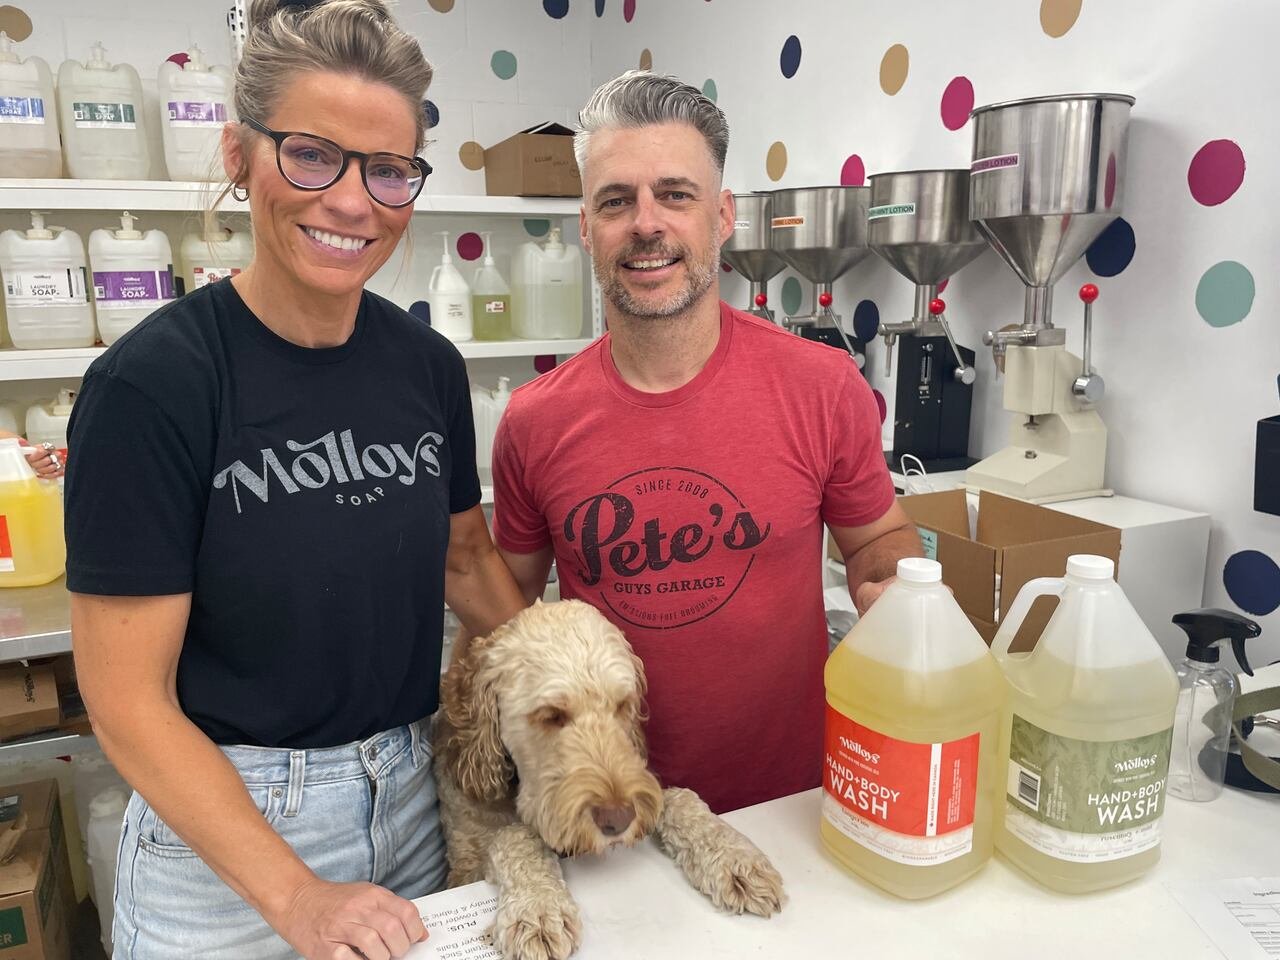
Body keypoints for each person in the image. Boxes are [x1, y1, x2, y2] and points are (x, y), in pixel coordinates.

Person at [64, 1, 525, 957]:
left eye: (390, 171)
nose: (353, 201)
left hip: (410, 793)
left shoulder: (428, 368)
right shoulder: (153, 387)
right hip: (226, 843)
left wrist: (575, 681)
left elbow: (465, 559)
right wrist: (297, 897)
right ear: (239, 156)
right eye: (312, 154)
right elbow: (126, 701)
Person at [490, 71, 923, 815]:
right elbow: (506, 610)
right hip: (609, 815)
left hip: (794, 804)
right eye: (616, 201)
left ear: (722, 218)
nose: (647, 224)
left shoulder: (822, 387)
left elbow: (878, 539)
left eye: (676, 194)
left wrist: (892, 584)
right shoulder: (534, 421)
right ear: (586, 228)